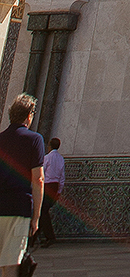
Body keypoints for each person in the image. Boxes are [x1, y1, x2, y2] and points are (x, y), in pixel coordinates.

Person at [0, 93, 43, 277]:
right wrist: (36, 217)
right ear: (29, 116)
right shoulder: (34, 140)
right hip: (18, 208)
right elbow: (38, 179)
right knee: (10, 264)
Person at [37, 135, 64, 244]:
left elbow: (42, 172)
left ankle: (49, 236)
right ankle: (35, 236)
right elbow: (62, 177)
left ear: (49, 146)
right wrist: (59, 191)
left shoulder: (47, 158)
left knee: (43, 211)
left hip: (47, 186)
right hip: (55, 186)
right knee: (43, 210)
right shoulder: (60, 159)